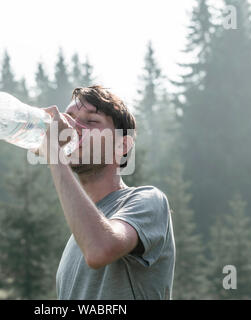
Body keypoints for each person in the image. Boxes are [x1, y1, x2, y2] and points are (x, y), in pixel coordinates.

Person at [32, 85, 175, 300]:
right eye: (68, 119)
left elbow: (99, 249)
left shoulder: (149, 201)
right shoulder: (79, 235)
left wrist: (54, 154)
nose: (73, 129)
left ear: (122, 145)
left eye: (91, 121)